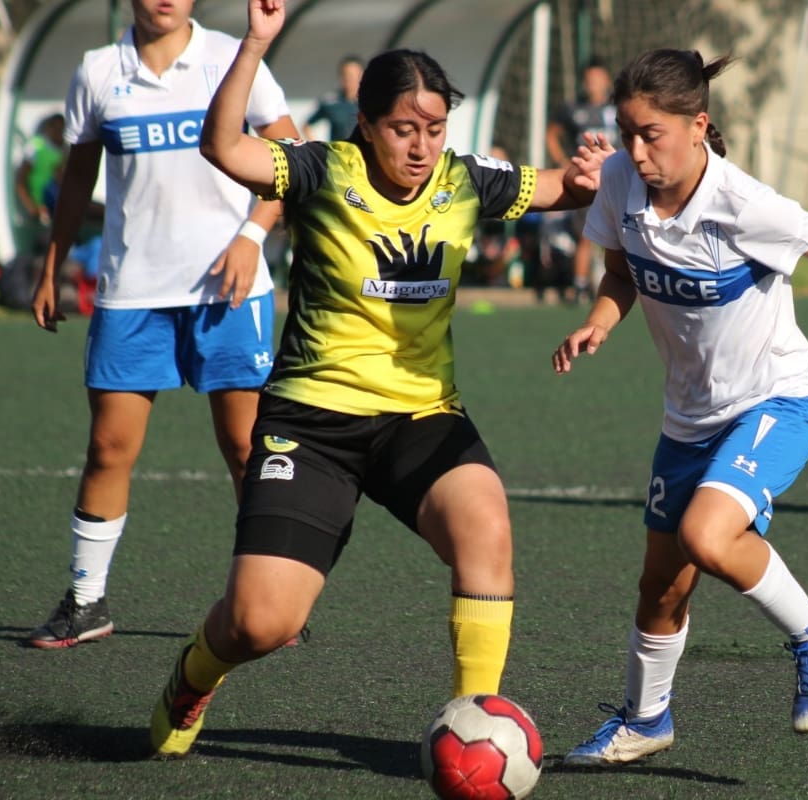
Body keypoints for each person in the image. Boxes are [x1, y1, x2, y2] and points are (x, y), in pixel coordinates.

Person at [146, 0, 612, 759]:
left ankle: (473, 727)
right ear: (366, 123)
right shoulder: (321, 169)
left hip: (421, 417)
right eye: (404, 129)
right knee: (265, 623)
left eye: (434, 129)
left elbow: (560, 187)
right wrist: (258, 43)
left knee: (486, 525)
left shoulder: (465, 182)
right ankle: (195, 675)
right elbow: (223, 146)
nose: (422, 146)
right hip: (313, 424)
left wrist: (591, 176)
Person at [551, 49, 808, 765]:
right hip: (689, 415)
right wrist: (599, 319)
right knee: (661, 583)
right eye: (626, 133)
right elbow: (622, 274)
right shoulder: (620, 182)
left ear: (698, 124)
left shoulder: (745, 206)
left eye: (652, 133)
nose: (635, 150)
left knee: (708, 537)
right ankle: (646, 720)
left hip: (778, 398)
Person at [26, 0, 300, 648]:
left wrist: (253, 236)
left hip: (230, 291)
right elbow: (77, 176)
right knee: (108, 448)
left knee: (245, 451)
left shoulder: (234, 57)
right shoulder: (97, 71)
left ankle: (273, 600)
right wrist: (52, 266)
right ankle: (87, 603)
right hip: (133, 293)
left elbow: (293, 155)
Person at [546, 58, 620, 303]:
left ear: (607, 81)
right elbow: (552, 134)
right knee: (587, 233)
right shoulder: (572, 109)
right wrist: (563, 162)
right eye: (589, 80)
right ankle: (579, 286)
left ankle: (635, 283)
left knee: (626, 232)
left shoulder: (617, 107)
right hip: (588, 179)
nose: (593, 85)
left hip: (617, 178)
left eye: (598, 80)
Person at [15, 112, 67, 232]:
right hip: (42, 201)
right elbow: (20, 180)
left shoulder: (65, 150)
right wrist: (31, 206)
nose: (59, 132)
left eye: (62, 128)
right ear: (48, 128)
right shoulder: (36, 147)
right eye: (56, 127)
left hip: (57, 203)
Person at [302, 53, 363, 141]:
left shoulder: (370, 102)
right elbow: (307, 126)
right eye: (345, 75)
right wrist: (317, 149)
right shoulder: (331, 102)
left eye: (352, 75)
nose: (349, 79)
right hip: (338, 152)